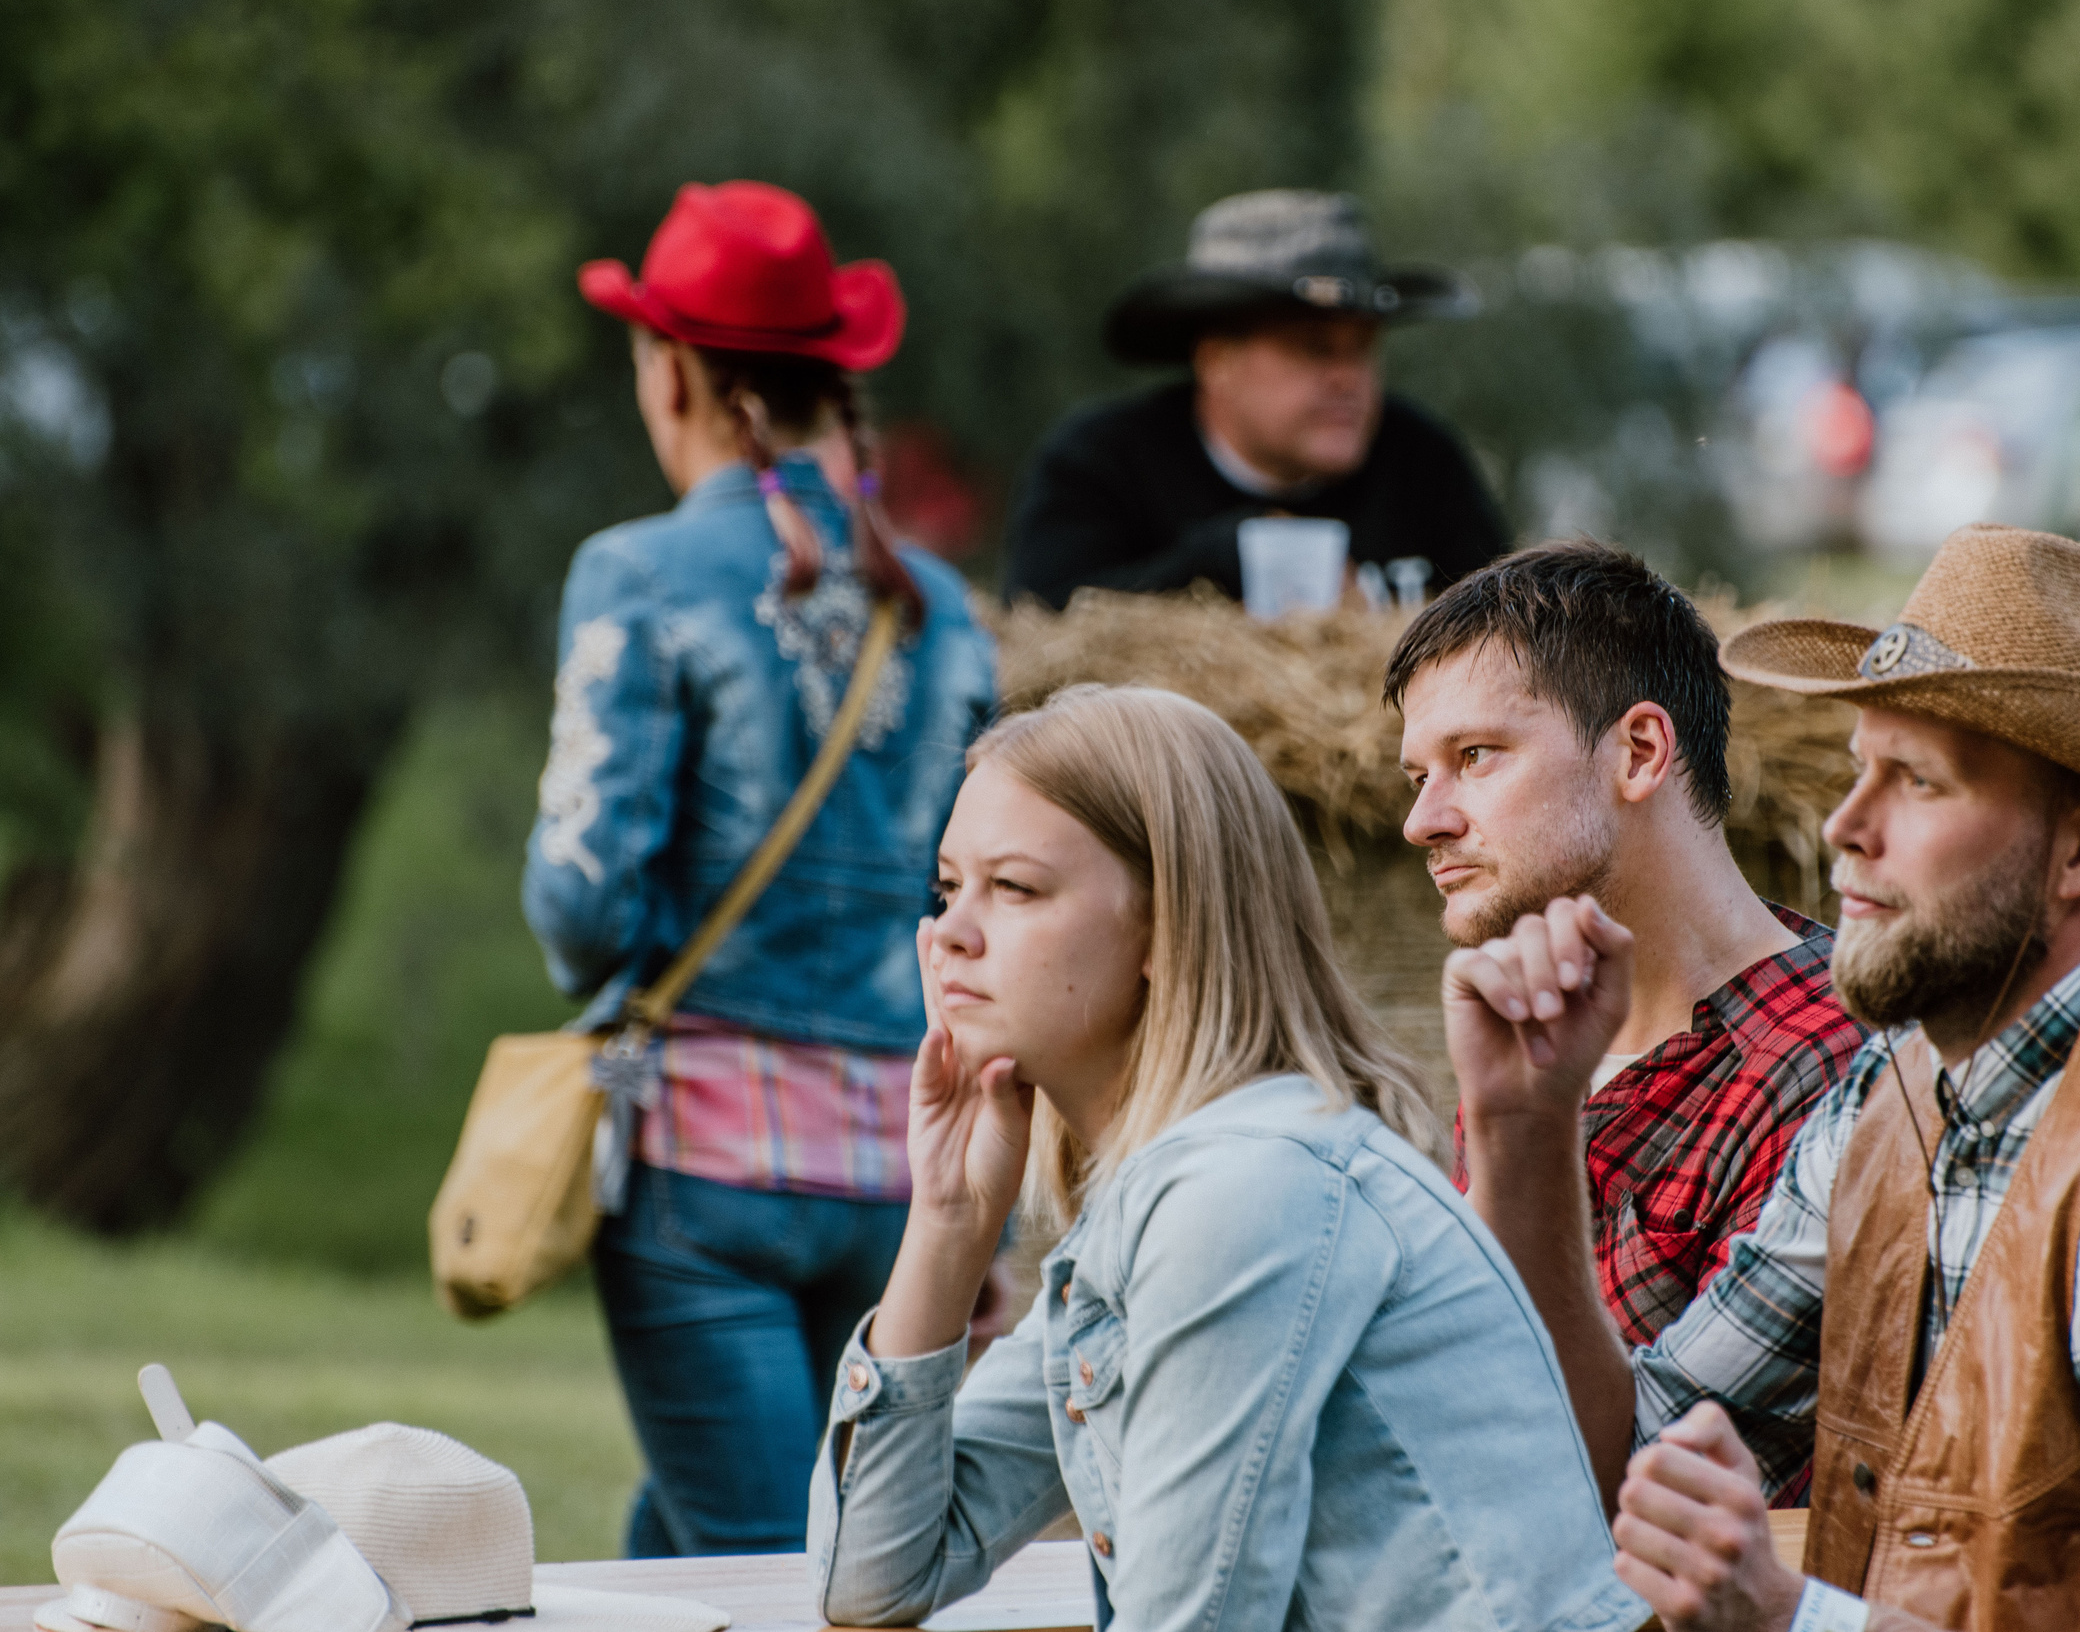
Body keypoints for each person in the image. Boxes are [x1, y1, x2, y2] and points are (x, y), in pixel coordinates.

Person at [1444, 526, 2080, 1632]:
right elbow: (1617, 1457)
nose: (1844, 826)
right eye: (1859, 767)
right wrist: (1525, 1123)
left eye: (1916, 781)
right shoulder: (1892, 1094)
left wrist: (1783, 1614)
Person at [808, 685, 1648, 1632]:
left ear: (1166, 927)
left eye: (1015, 888)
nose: (949, 935)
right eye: (946, 889)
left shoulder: (1244, 1190)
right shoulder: (1163, 1198)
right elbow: (871, 1574)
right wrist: (949, 1222)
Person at [523, 180, 999, 1557]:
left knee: (770, 1567)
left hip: (703, 1168)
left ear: (673, 374)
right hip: (902, 1170)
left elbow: (581, 900)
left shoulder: (639, 572)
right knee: (693, 1533)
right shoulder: (945, 608)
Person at [1387, 542, 1865, 1348]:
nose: (1421, 821)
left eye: (1474, 756)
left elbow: (1655, 1417)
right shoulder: (1527, 1027)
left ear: (1640, 752)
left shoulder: (1824, 1065)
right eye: (1417, 777)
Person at [1001, 189, 1510, 609]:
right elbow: (1041, 630)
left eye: (1362, 348)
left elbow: (1513, 635)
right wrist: (1221, 561)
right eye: (1314, 348)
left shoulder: (1424, 464)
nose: (1348, 379)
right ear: (1216, 361)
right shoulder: (1102, 464)